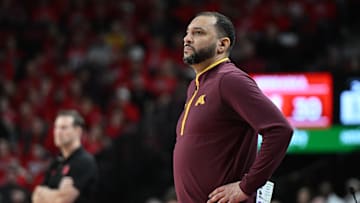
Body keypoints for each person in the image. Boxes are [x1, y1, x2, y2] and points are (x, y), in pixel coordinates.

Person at [173, 11, 293, 203]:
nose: (187, 39)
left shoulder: (229, 80)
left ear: (222, 44)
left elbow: (280, 129)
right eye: (187, 33)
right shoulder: (196, 86)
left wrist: (247, 186)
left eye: (198, 33)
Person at [32, 110, 98, 203]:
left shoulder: (85, 161)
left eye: (64, 128)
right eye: (56, 127)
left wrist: (47, 195)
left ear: (78, 131)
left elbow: (63, 200)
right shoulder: (56, 162)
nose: (58, 132)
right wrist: (58, 193)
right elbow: (36, 197)